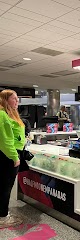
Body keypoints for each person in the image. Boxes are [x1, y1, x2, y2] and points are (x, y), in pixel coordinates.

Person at [0, 89, 25, 228]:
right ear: (5, 99)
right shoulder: (2, 115)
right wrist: (15, 157)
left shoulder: (11, 114)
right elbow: (5, 140)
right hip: (8, 155)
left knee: (5, 185)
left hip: (10, 153)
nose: (17, 101)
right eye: (14, 98)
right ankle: (3, 217)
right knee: (5, 186)